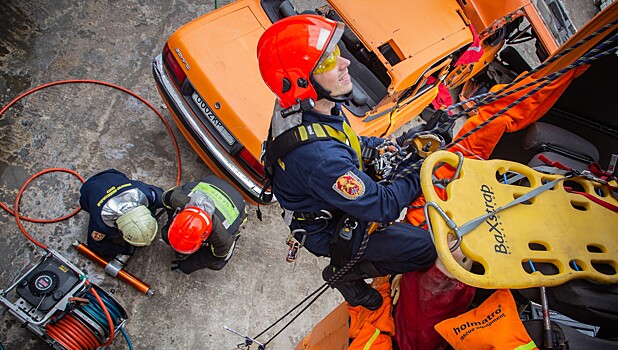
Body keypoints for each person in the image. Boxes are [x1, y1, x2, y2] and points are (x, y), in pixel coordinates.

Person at [256, 15, 437, 310]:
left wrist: (381, 147)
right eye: (327, 63)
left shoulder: (310, 106)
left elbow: (341, 139)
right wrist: (420, 169)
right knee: (425, 249)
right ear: (303, 81)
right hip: (329, 230)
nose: (345, 64)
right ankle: (344, 274)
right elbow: (384, 205)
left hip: (325, 198)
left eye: (337, 53)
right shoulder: (320, 160)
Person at [161, 175, 247, 274]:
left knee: (218, 263)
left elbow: (212, 257)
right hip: (212, 181)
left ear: (205, 235)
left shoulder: (221, 238)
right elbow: (166, 201)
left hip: (238, 203)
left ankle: (234, 238)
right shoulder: (175, 199)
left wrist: (186, 266)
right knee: (165, 234)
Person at [79, 169, 163, 261]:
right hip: (88, 189)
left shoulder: (145, 194)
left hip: (112, 175)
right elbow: (95, 245)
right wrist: (123, 249)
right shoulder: (101, 223)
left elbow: (164, 196)